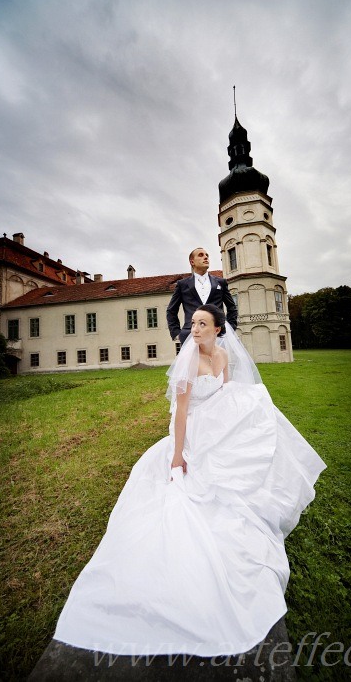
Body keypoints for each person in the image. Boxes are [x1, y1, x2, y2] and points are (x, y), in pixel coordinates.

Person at [54, 305, 326, 657]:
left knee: (259, 407)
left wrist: (236, 422)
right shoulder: (188, 361)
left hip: (214, 419)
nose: (194, 329)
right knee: (192, 484)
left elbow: (226, 394)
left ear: (217, 329)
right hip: (191, 428)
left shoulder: (224, 354)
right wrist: (178, 455)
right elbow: (181, 412)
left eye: (202, 324)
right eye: (192, 323)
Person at [166, 247, 238, 344]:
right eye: (201, 255)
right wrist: (176, 333)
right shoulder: (182, 285)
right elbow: (171, 310)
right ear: (192, 262)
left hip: (217, 335)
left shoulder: (221, 282)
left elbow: (232, 307)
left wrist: (230, 328)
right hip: (191, 335)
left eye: (207, 255)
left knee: (219, 359)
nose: (206, 257)